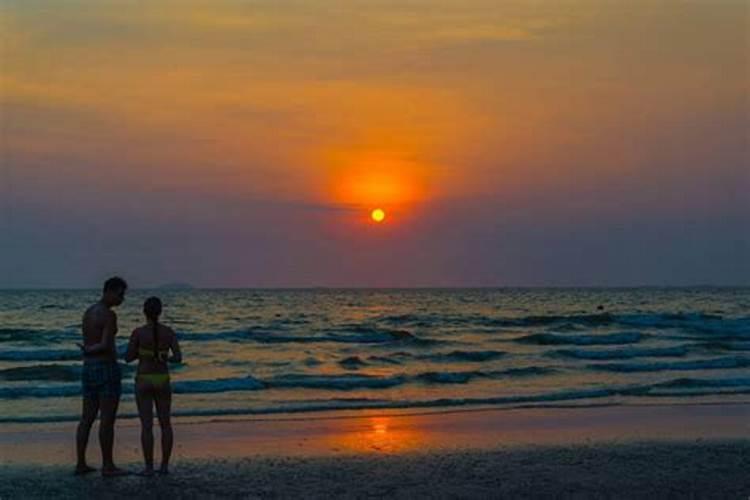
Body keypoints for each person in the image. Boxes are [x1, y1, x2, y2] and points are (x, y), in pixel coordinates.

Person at [75, 276, 129, 476]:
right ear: (110, 291)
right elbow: (105, 344)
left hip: (88, 368)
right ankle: (108, 465)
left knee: (86, 417)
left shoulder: (88, 312)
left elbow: (90, 339)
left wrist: (87, 351)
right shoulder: (108, 315)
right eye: (120, 294)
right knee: (107, 419)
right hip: (105, 366)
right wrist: (90, 349)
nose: (122, 299)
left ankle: (80, 463)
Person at [125, 296, 182, 476]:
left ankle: (149, 467)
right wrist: (164, 357)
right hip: (162, 379)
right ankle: (164, 466)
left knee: (147, 426)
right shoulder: (169, 332)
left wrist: (143, 353)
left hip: (143, 379)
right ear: (160, 312)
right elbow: (178, 358)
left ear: (144, 312)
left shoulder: (138, 332)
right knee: (165, 424)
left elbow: (128, 357)